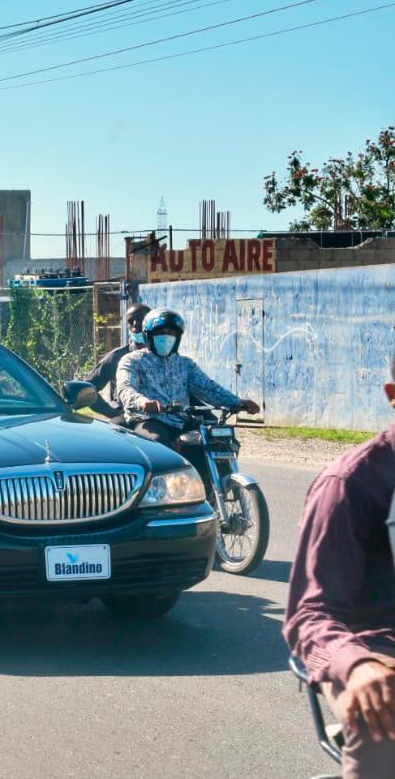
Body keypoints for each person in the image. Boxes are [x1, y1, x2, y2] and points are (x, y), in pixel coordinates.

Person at [284, 356, 395, 777]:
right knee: (382, 717)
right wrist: (358, 666)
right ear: (392, 397)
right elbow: (311, 614)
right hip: (379, 654)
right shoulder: (350, 484)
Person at [116, 308, 259, 478]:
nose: (166, 337)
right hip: (149, 419)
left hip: (181, 420)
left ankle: (214, 488)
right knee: (157, 445)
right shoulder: (133, 361)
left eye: (171, 333)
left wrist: (236, 402)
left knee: (220, 441)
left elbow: (207, 387)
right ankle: (164, 495)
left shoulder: (185, 364)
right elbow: (125, 388)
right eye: (160, 332)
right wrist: (142, 402)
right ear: (148, 336)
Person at [80, 303, 151, 423]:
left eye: (140, 319)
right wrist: (112, 412)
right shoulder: (116, 357)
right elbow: (87, 389)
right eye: (130, 321)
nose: (135, 325)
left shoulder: (165, 356)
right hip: (129, 418)